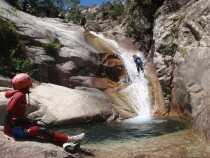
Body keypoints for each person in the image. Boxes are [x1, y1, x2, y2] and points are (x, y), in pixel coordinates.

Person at [4, 73, 85, 145]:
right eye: (28, 85)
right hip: (15, 128)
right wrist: (8, 131)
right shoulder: (19, 95)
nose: (29, 87)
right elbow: (9, 111)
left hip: (17, 124)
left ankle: (63, 140)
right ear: (24, 85)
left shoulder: (18, 93)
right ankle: (68, 139)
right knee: (37, 130)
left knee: (40, 126)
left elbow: (12, 109)